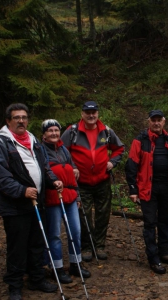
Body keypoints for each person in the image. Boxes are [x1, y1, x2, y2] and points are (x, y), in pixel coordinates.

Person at [0, 103, 63, 300]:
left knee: (36, 243)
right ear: (8, 121)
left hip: (37, 202)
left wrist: (52, 180)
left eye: (24, 117)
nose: (21, 121)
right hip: (15, 205)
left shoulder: (33, 140)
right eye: (16, 118)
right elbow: (0, 177)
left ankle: (36, 278)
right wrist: (22, 190)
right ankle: (14, 284)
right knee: (17, 246)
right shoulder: (1, 143)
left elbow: (43, 166)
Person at [61, 101, 125, 261]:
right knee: (84, 215)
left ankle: (100, 245)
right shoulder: (72, 132)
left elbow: (119, 149)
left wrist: (112, 162)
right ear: (82, 114)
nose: (91, 115)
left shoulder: (106, 131)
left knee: (103, 214)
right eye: (87, 112)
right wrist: (72, 166)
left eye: (94, 112)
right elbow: (61, 151)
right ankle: (87, 246)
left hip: (102, 181)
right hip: (80, 183)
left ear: (97, 113)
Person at [125, 110, 168, 274]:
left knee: (164, 220)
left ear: (164, 121)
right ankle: (153, 257)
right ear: (149, 121)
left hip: (167, 187)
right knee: (150, 223)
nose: (156, 123)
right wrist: (133, 189)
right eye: (153, 120)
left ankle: (164, 251)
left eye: (159, 120)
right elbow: (131, 165)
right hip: (147, 188)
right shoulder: (140, 140)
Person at [41, 119, 91, 284]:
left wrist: (77, 196)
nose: (54, 133)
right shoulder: (41, 151)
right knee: (55, 234)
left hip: (69, 197)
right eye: (50, 131)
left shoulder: (63, 150)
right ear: (44, 135)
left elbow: (72, 172)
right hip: (52, 197)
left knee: (75, 232)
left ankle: (76, 264)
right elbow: (45, 171)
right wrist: (54, 180)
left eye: (56, 130)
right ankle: (57, 268)